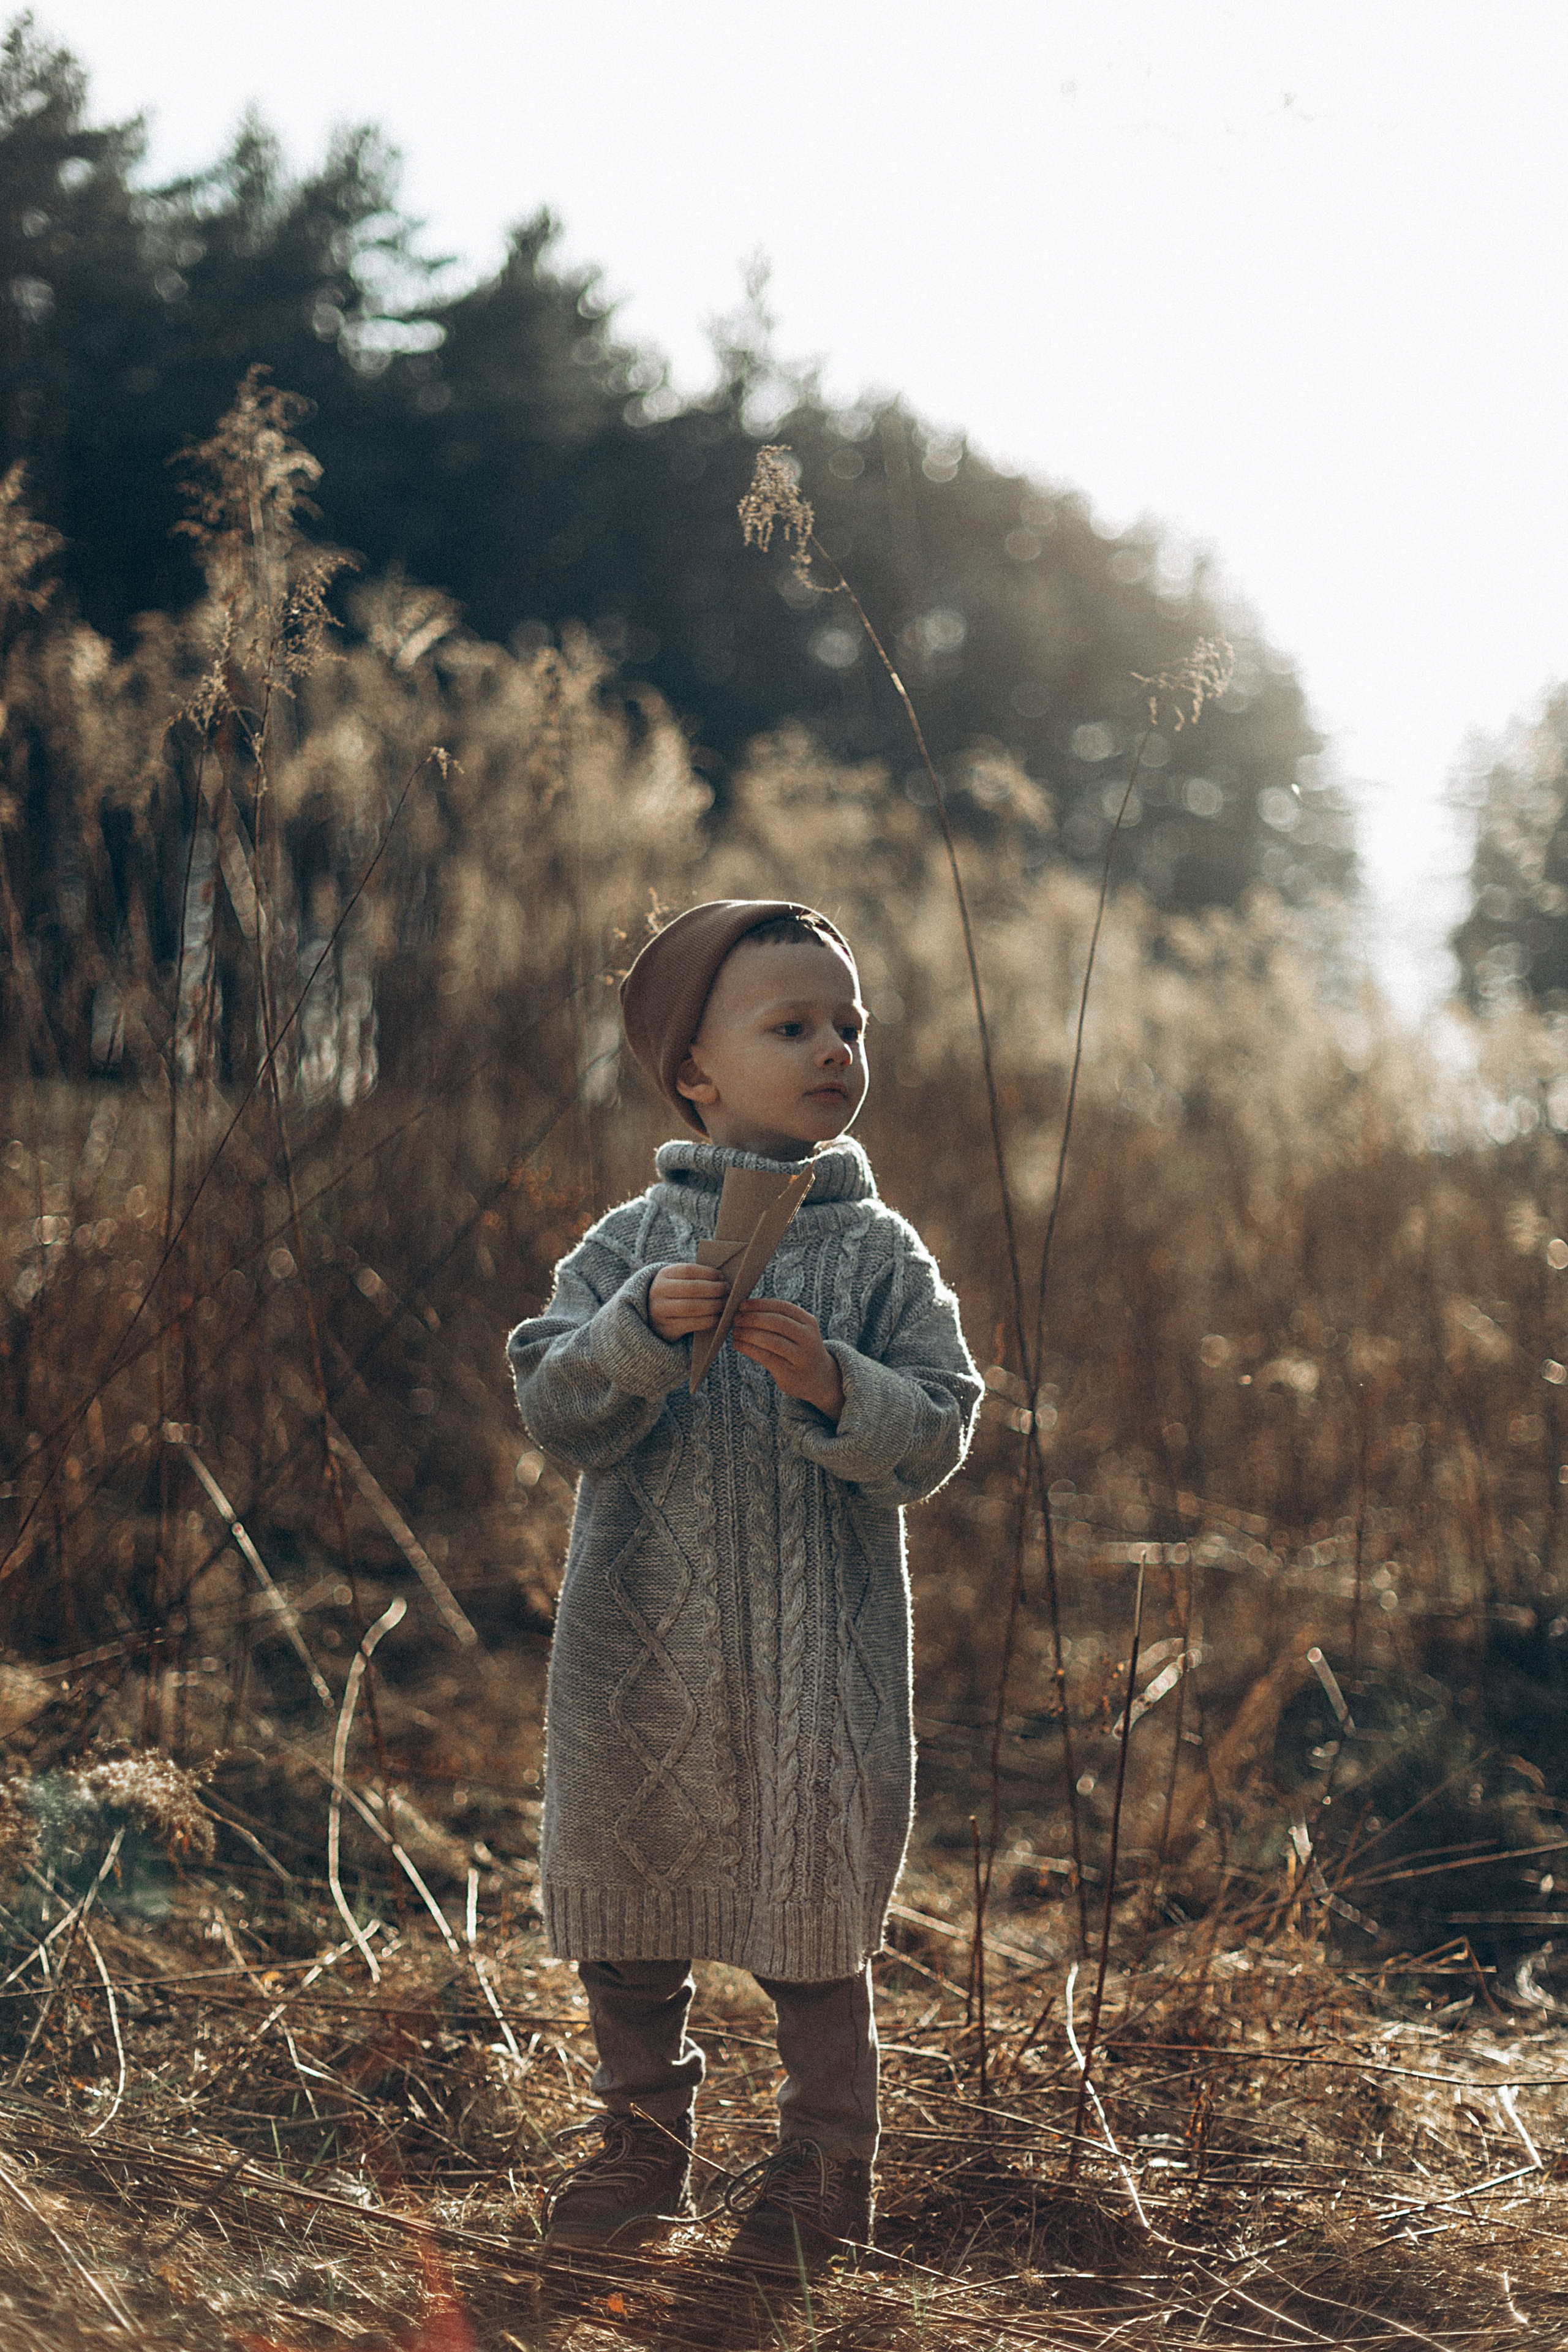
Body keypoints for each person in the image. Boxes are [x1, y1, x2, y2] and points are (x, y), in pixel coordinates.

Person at [507, 898, 981, 2272]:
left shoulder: (881, 1253)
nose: (834, 1049)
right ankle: (639, 2145)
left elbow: (940, 1430)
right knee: (629, 1917)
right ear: (694, 1072)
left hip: (815, 1671)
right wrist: (631, 1334)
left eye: (849, 1025)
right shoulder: (629, 1242)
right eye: (792, 1026)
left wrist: (838, 1383)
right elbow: (552, 1405)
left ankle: (824, 2171)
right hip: (638, 1660)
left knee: (813, 1924)